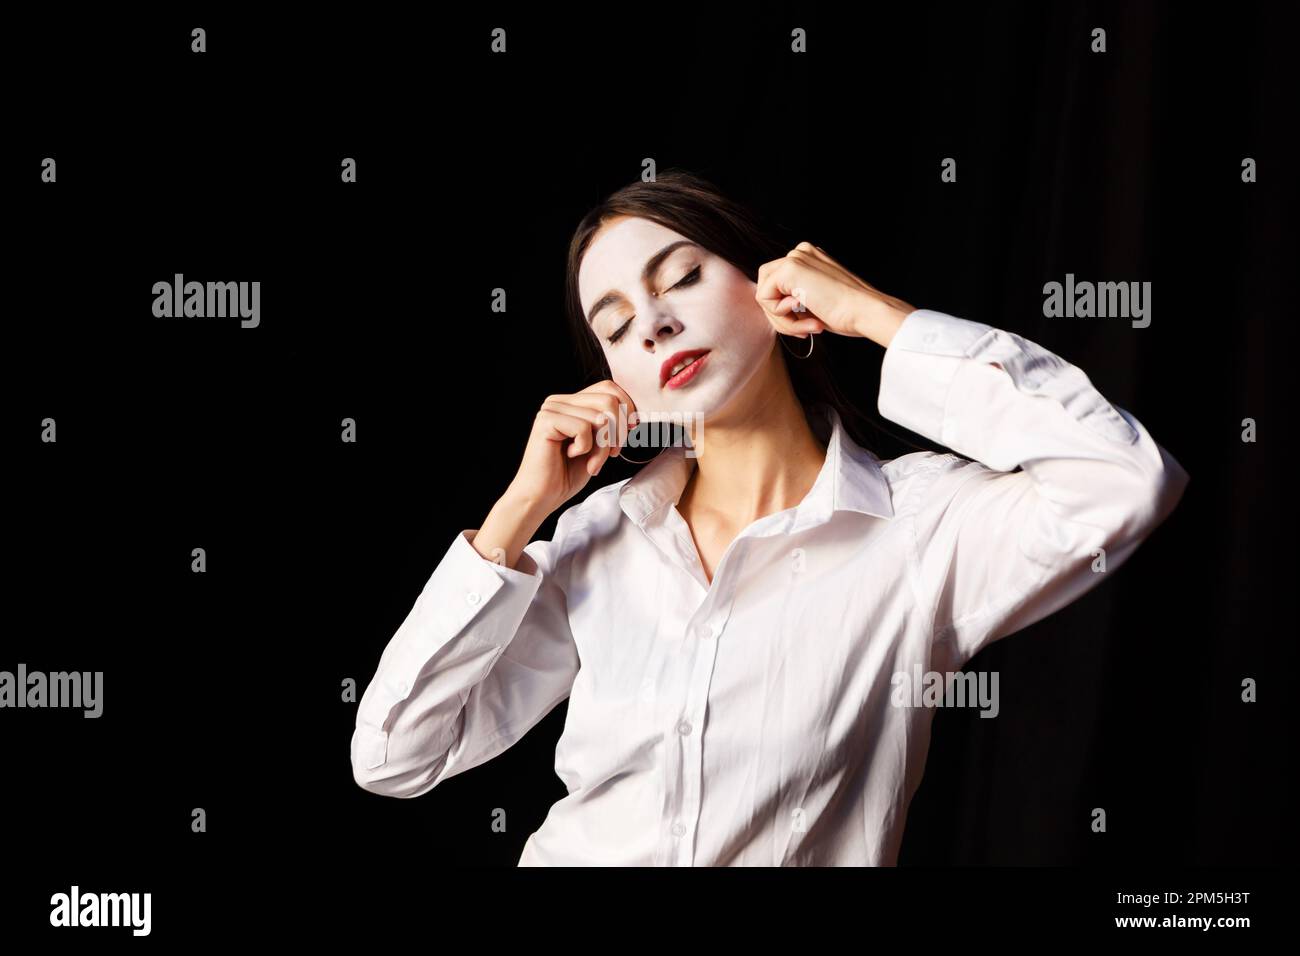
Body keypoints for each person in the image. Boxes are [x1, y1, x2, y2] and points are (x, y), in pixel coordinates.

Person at [350, 169, 1189, 866]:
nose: (655, 325)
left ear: (774, 283)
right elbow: (393, 756)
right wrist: (516, 516)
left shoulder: (916, 529)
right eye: (615, 326)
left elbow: (1124, 480)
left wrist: (876, 316)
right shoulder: (598, 538)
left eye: (680, 278)